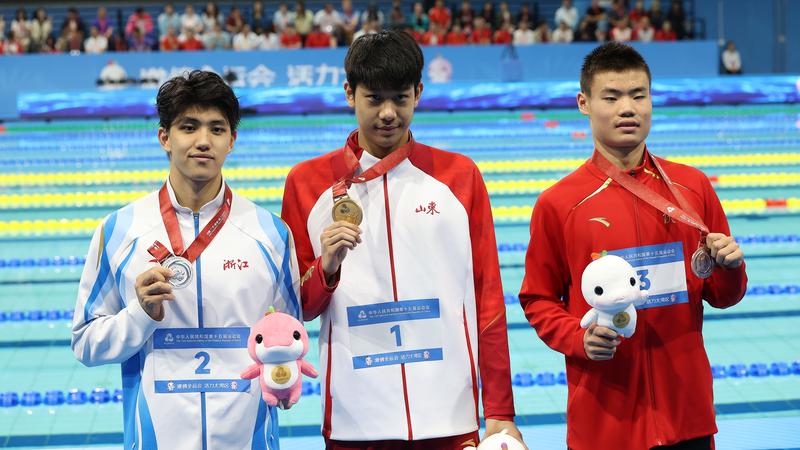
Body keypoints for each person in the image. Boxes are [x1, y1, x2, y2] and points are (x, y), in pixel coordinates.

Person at [280, 29, 523, 450]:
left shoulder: (459, 177)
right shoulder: (307, 183)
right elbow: (297, 309)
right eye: (374, 98)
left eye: (401, 98)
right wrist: (327, 268)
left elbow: (487, 297)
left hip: (449, 413)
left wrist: (499, 411)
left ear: (419, 92)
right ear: (349, 94)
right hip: (356, 417)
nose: (388, 113)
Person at [518, 42, 746, 450]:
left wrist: (731, 267)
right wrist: (576, 338)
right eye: (612, 97)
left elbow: (723, 296)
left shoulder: (691, 187)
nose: (628, 108)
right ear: (583, 103)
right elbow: (537, 298)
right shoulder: (559, 204)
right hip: (605, 420)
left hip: (687, 414)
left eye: (639, 96)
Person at [72, 70, 301, 450]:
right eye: (188, 127)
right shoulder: (119, 230)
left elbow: (290, 335)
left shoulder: (270, 233)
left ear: (232, 140)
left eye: (216, 128)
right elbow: (86, 344)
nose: (202, 141)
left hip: (249, 439)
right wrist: (140, 313)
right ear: (165, 137)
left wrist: (284, 376)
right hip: (156, 438)